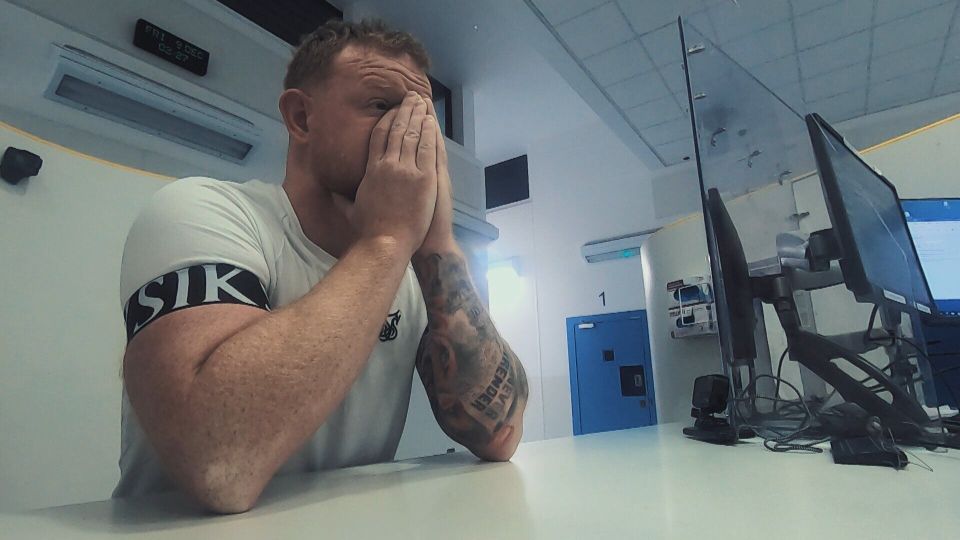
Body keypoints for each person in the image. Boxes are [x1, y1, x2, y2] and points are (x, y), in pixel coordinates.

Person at [115, 18, 528, 513]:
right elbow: (218, 465)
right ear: (302, 119)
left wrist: (437, 243)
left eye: (423, 118)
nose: (413, 133)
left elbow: (498, 434)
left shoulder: (409, 267)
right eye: (382, 106)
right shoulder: (202, 211)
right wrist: (387, 238)